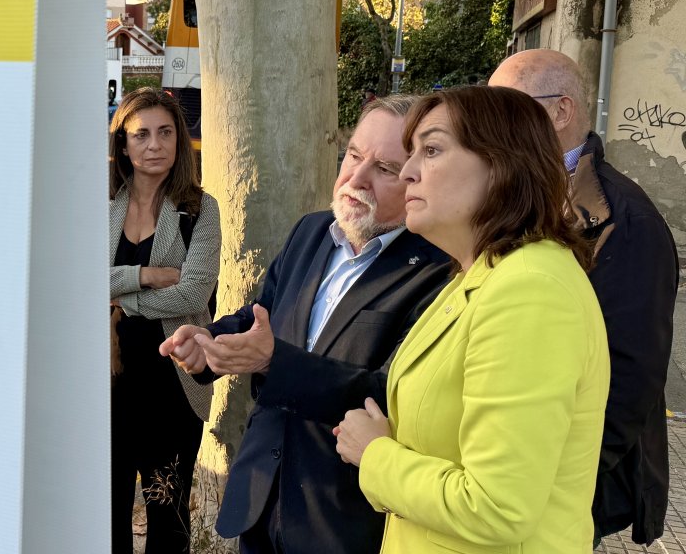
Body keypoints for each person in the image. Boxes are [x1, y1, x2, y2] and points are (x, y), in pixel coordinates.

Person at [160, 95, 451, 553]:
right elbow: (262, 316)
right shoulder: (312, 231)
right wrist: (210, 343)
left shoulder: (440, 271)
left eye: (385, 169)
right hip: (260, 494)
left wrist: (275, 362)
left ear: (417, 180)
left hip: (339, 517)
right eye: (354, 155)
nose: (356, 178)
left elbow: (393, 393)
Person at [335, 85, 609, 554]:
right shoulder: (483, 273)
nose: (408, 172)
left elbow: (497, 506)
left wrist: (375, 455)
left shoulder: (530, 290)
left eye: (432, 150)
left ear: (501, 166)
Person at [489, 49, 679, 545]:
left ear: (560, 112)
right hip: (508, 473)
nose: (486, 126)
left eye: (504, 108)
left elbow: (628, 381)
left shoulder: (626, 222)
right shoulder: (518, 193)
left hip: (558, 489)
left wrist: (561, 484)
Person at [109, 88, 220, 554]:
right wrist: (145, 275)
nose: (154, 145)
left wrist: (121, 301)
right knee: (104, 511)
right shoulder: (101, 205)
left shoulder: (200, 209)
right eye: (141, 135)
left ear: (179, 141)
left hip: (173, 386)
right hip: (108, 384)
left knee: (167, 517)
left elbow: (194, 291)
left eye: (165, 133)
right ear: (123, 145)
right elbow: (74, 281)